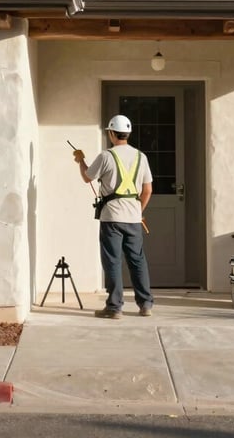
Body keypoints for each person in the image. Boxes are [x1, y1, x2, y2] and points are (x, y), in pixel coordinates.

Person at [73, 114, 154, 319]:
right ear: (128, 133)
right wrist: (139, 211)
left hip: (112, 218)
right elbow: (148, 190)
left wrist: (81, 160)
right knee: (137, 261)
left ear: (111, 133)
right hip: (134, 218)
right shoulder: (141, 157)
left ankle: (114, 307)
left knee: (113, 261)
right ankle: (145, 305)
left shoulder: (106, 156)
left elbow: (86, 177)